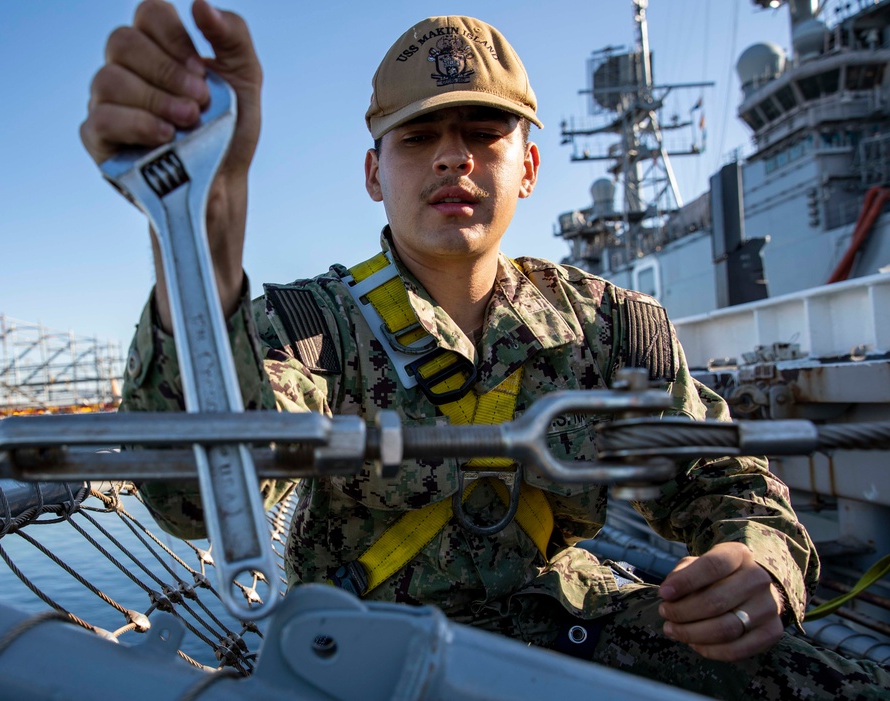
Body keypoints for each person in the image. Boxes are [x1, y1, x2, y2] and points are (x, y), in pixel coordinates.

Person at [80, 2, 889, 698]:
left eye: (483, 130)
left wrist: (757, 562)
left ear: (528, 165)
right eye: (418, 135)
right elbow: (191, 503)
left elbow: (721, 474)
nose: (451, 154)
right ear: (374, 173)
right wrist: (201, 228)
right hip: (362, 656)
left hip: (571, 634)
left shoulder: (612, 327)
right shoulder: (307, 330)